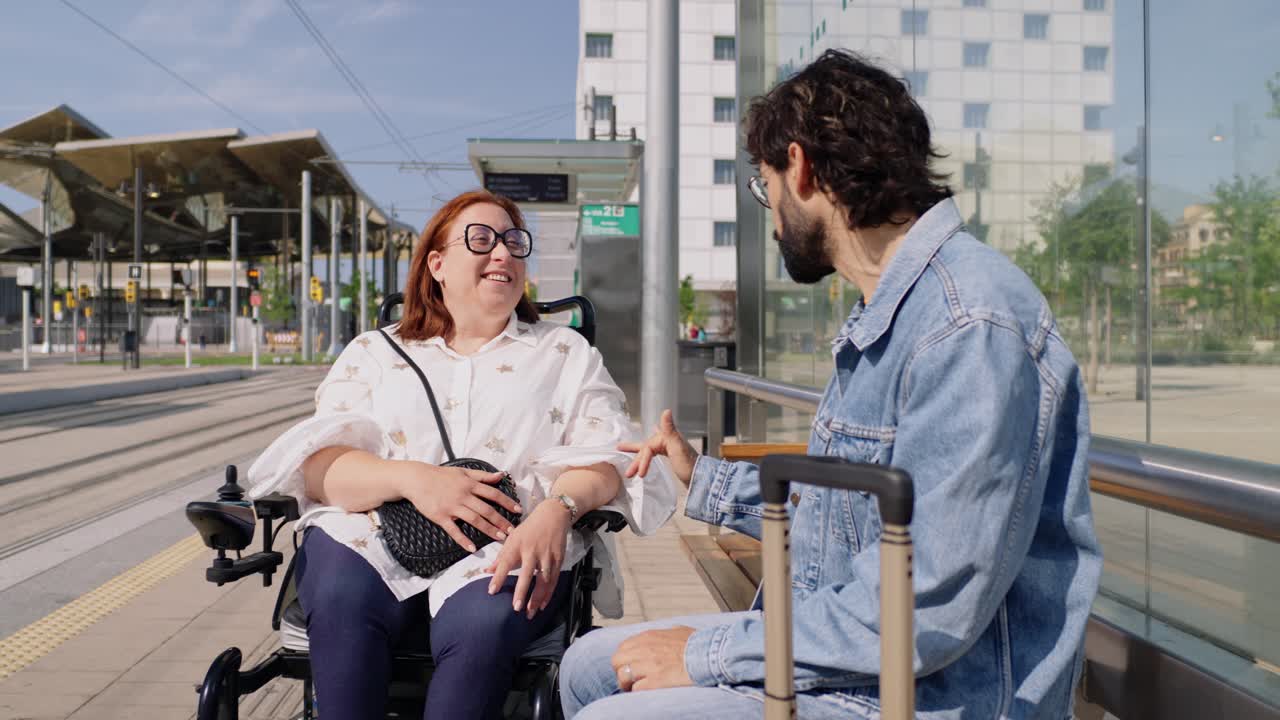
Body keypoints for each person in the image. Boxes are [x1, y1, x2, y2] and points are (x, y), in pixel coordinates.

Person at [560, 49, 1101, 720]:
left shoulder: (967, 324)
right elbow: (845, 513)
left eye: (766, 186)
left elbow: (928, 598)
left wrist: (705, 657)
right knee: (588, 664)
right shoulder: (894, 309)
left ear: (803, 167)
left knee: (615, 712)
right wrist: (704, 477)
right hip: (863, 667)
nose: (771, 212)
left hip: (930, 698)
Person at [247, 190, 676, 720]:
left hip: (505, 542)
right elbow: (318, 467)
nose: (503, 254)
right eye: (482, 239)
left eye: (514, 242)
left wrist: (557, 511)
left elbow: (610, 458)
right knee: (337, 589)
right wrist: (416, 480)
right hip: (380, 534)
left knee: (484, 622)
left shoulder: (564, 354)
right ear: (438, 264)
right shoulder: (375, 353)